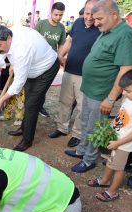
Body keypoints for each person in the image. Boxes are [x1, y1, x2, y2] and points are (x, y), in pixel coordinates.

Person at [65, 0, 132, 173]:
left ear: (114, 15)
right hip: (90, 89)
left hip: (102, 93)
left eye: (99, 18)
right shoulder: (107, 30)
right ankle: (82, 150)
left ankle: (89, 159)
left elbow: (125, 69)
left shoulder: (125, 34)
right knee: (85, 122)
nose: (95, 22)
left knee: (94, 127)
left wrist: (111, 98)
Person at [0, 25, 59, 151]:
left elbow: (18, 83)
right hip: (32, 68)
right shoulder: (8, 33)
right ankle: (24, 127)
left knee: (32, 104)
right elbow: (3, 52)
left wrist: (1, 99)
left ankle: (27, 140)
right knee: (28, 99)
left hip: (46, 69)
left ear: (9, 38)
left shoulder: (22, 50)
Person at [49, 0, 101, 148]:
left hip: (86, 75)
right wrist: (60, 55)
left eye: (93, 14)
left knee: (81, 106)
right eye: (87, 13)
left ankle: (77, 133)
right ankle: (61, 128)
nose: (89, 17)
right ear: (83, 11)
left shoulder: (100, 28)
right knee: (64, 101)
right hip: (69, 69)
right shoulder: (77, 23)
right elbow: (69, 41)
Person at [87, 70, 132, 202]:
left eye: (128, 91)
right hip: (116, 139)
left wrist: (118, 143)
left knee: (118, 169)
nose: (124, 93)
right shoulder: (129, 100)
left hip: (123, 145)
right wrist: (111, 127)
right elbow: (121, 117)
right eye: (123, 90)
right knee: (110, 161)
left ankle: (113, 192)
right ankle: (104, 180)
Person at [34, 2, 66, 117]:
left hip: (51, 63)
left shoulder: (61, 28)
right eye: (56, 14)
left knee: (43, 87)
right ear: (51, 13)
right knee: (34, 86)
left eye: (60, 15)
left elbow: (62, 45)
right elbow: (32, 41)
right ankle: (31, 106)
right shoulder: (41, 24)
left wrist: (60, 57)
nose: (58, 17)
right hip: (37, 61)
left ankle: (39, 106)